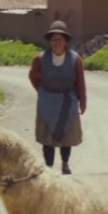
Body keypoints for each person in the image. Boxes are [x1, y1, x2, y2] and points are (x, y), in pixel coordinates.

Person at [28, 20, 87, 175]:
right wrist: (42, 92)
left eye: (60, 39)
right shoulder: (40, 59)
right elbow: (33, 77)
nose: (57, 43)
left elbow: (80, 83)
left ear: (65, 41)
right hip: (47, 103)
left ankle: (65, 164)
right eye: (54, 39)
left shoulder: (75, 59)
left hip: (68, 102)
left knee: (66, 136)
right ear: (50, 41)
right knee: (47, 138)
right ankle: (48, 167)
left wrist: (82, 102)